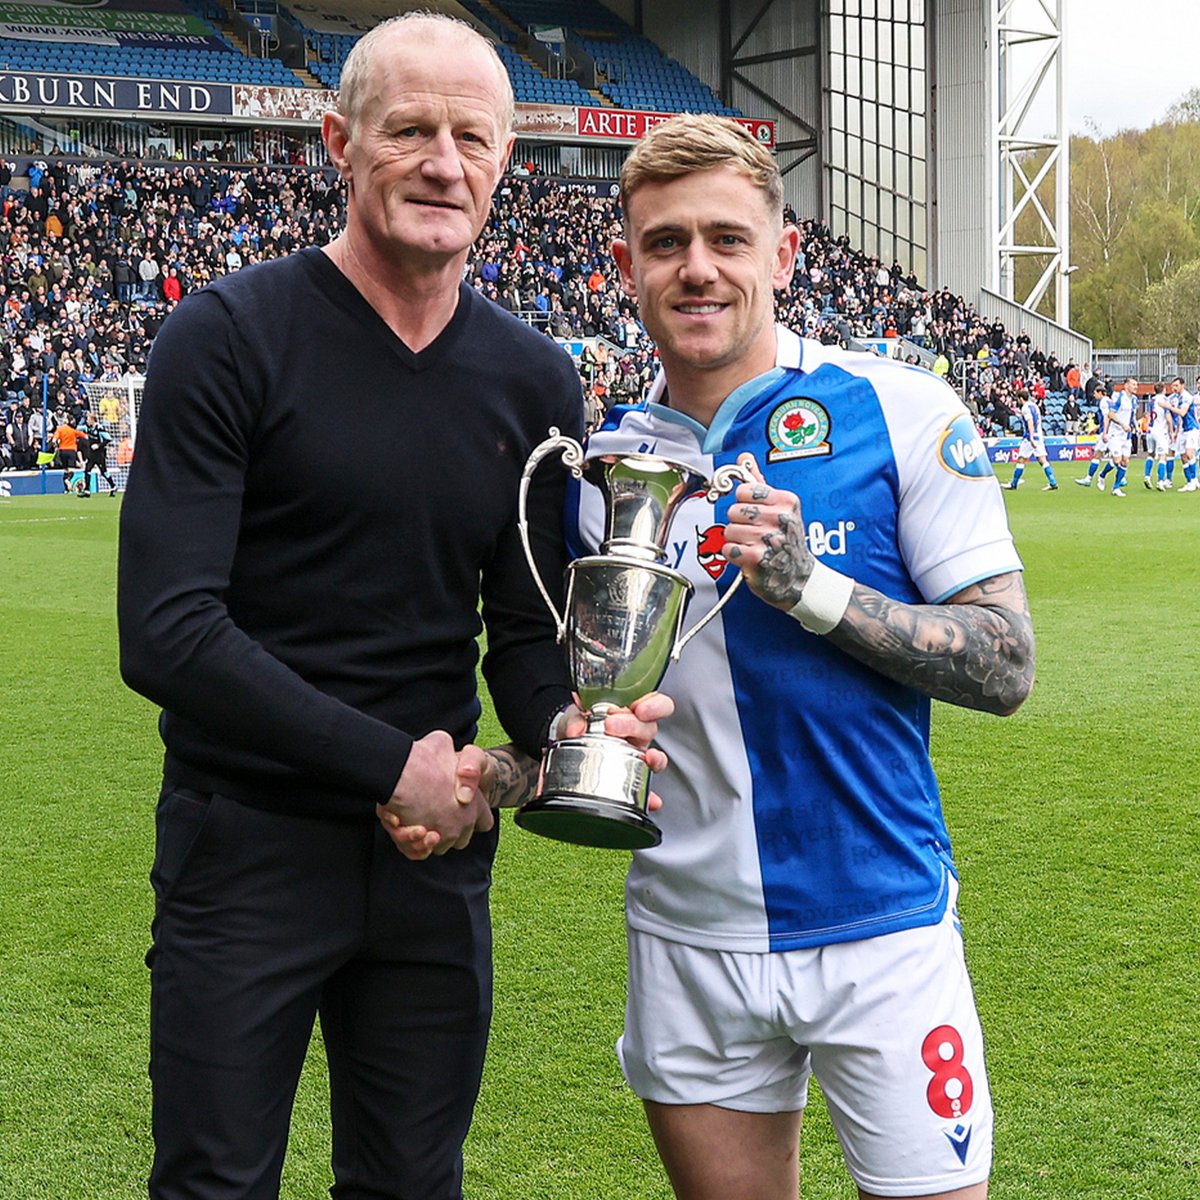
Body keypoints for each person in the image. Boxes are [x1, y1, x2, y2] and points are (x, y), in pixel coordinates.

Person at [117, 15, 668, 1200]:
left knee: (415, 1184)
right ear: (339, 143)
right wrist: (388, 765)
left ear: (506, 161)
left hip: (432, 863)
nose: (443, 161)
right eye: (409, 130)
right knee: (214, 1184)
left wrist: (558, 734)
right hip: (246, 842)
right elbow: (168, 632)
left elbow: (524, 639)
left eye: (472, 136)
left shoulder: (533, 379)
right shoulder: (225, 338)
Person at [570, 114, 1035, 1200]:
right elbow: (581, 684)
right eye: (667, 241)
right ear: (626, 263)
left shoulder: (900, 409)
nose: (698, 268)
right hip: (688, 935)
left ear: (782, 254)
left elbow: (1007, 665)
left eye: (729, 239)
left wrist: (811, 590)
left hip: (883, 928)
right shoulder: (598, 465)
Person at [1006, 388, 1057, 491]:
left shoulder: (1025, 407)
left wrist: (1031, 438)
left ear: (1021, 398)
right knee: (1042, 459)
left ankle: (1014, 484)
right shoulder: (1034, 405)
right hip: (1039, 435)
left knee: (1021, 459)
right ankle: (1053, 482)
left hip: (1030, 437)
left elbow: (1030, 422)